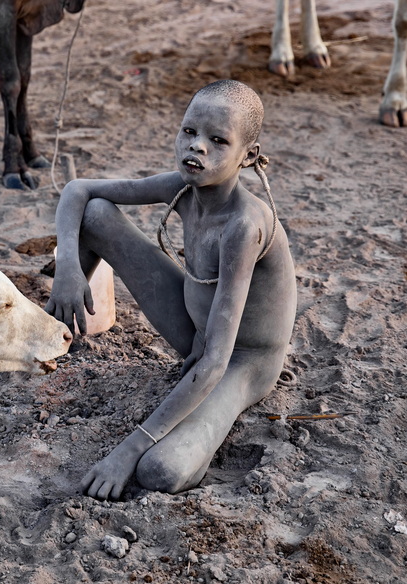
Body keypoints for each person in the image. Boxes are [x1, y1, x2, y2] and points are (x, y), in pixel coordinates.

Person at [45, 80, 296, 500]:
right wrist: (68, 267)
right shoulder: (183, 187)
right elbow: (78, 190)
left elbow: (217, 359)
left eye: (218, 140)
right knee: (95, 214)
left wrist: (127, 449)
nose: (197, 147)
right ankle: (57, 328)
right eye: (189, 132)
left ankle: (195, 445)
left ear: (248, 156)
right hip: (197, 327)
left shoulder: (244, 225)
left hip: (241, 359)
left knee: (160, 469)